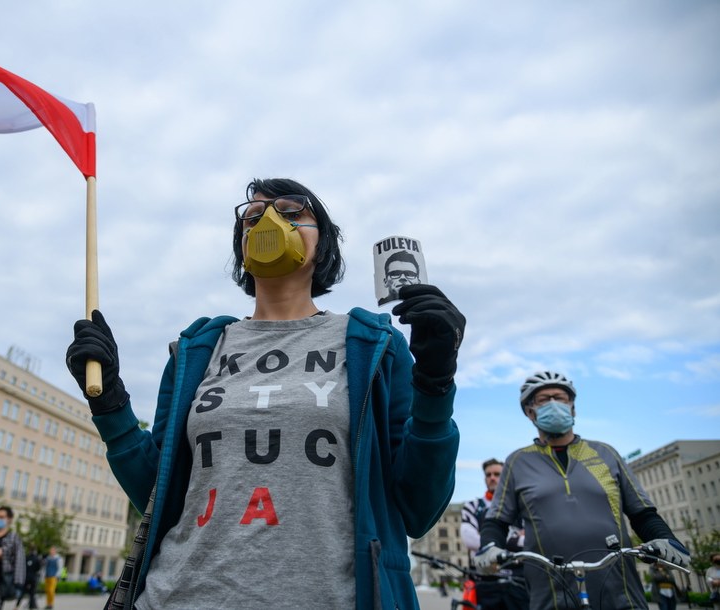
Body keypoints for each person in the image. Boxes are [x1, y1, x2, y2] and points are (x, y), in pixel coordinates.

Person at [66, 177, 465, 609]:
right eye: (252, 218)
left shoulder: (374, 346)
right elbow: (155, 490)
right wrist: (110, 403)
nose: (269, 223)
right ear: (241, 246)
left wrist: (436, 384)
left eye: (293, 213)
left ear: (325, 244)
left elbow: (420, 506)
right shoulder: (195, 352)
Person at [476, 371, 691, 610]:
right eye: (544, 399)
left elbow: (642, 513)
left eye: (560, 397)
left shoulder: (605, 454)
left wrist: (667, 540)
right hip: (551, 596)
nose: (554, 404)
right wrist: (489, 546)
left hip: (621, 594)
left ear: (573, 408)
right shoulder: (517, 462)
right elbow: (496, 521)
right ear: (530, 411)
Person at [461, 459, 528, 610]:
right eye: (488, 474)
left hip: (519, 581)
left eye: (497, 474)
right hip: (485, 582)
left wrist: (488, 540)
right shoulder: (473, 506)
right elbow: (469, 539)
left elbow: (532, 540)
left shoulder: (522, 506)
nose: (492, 477)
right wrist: (516, 538)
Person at [15, 545, 42, 610]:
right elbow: (38, 568)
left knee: (22, 592)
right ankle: (31, 606)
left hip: (26, 577)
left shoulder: (26, 558)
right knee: (32, 593)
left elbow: (23, 567)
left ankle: (17, 606)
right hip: (33, 578)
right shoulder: (36, 558)